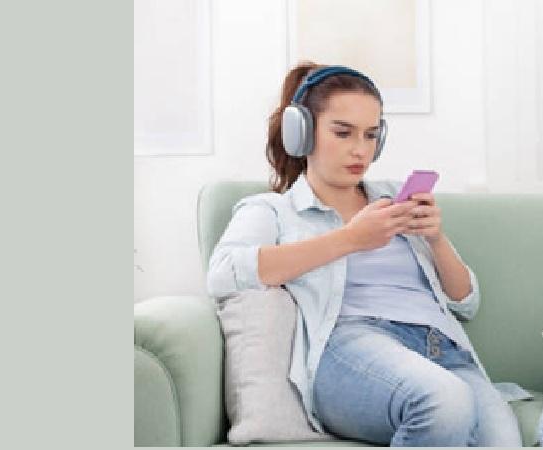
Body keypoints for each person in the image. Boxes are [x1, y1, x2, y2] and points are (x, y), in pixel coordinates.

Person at [207, 62, 520, 447]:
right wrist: (350, 238)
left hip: (443, 349)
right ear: (301, 133)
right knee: (444, 401)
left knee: (503, 440)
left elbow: (466, 302)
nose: (360, 150)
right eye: (343, 132)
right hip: (352, 347)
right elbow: (223, 273)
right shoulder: (271, 210)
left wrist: (436, 239)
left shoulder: (394, 197)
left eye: (371, 135)